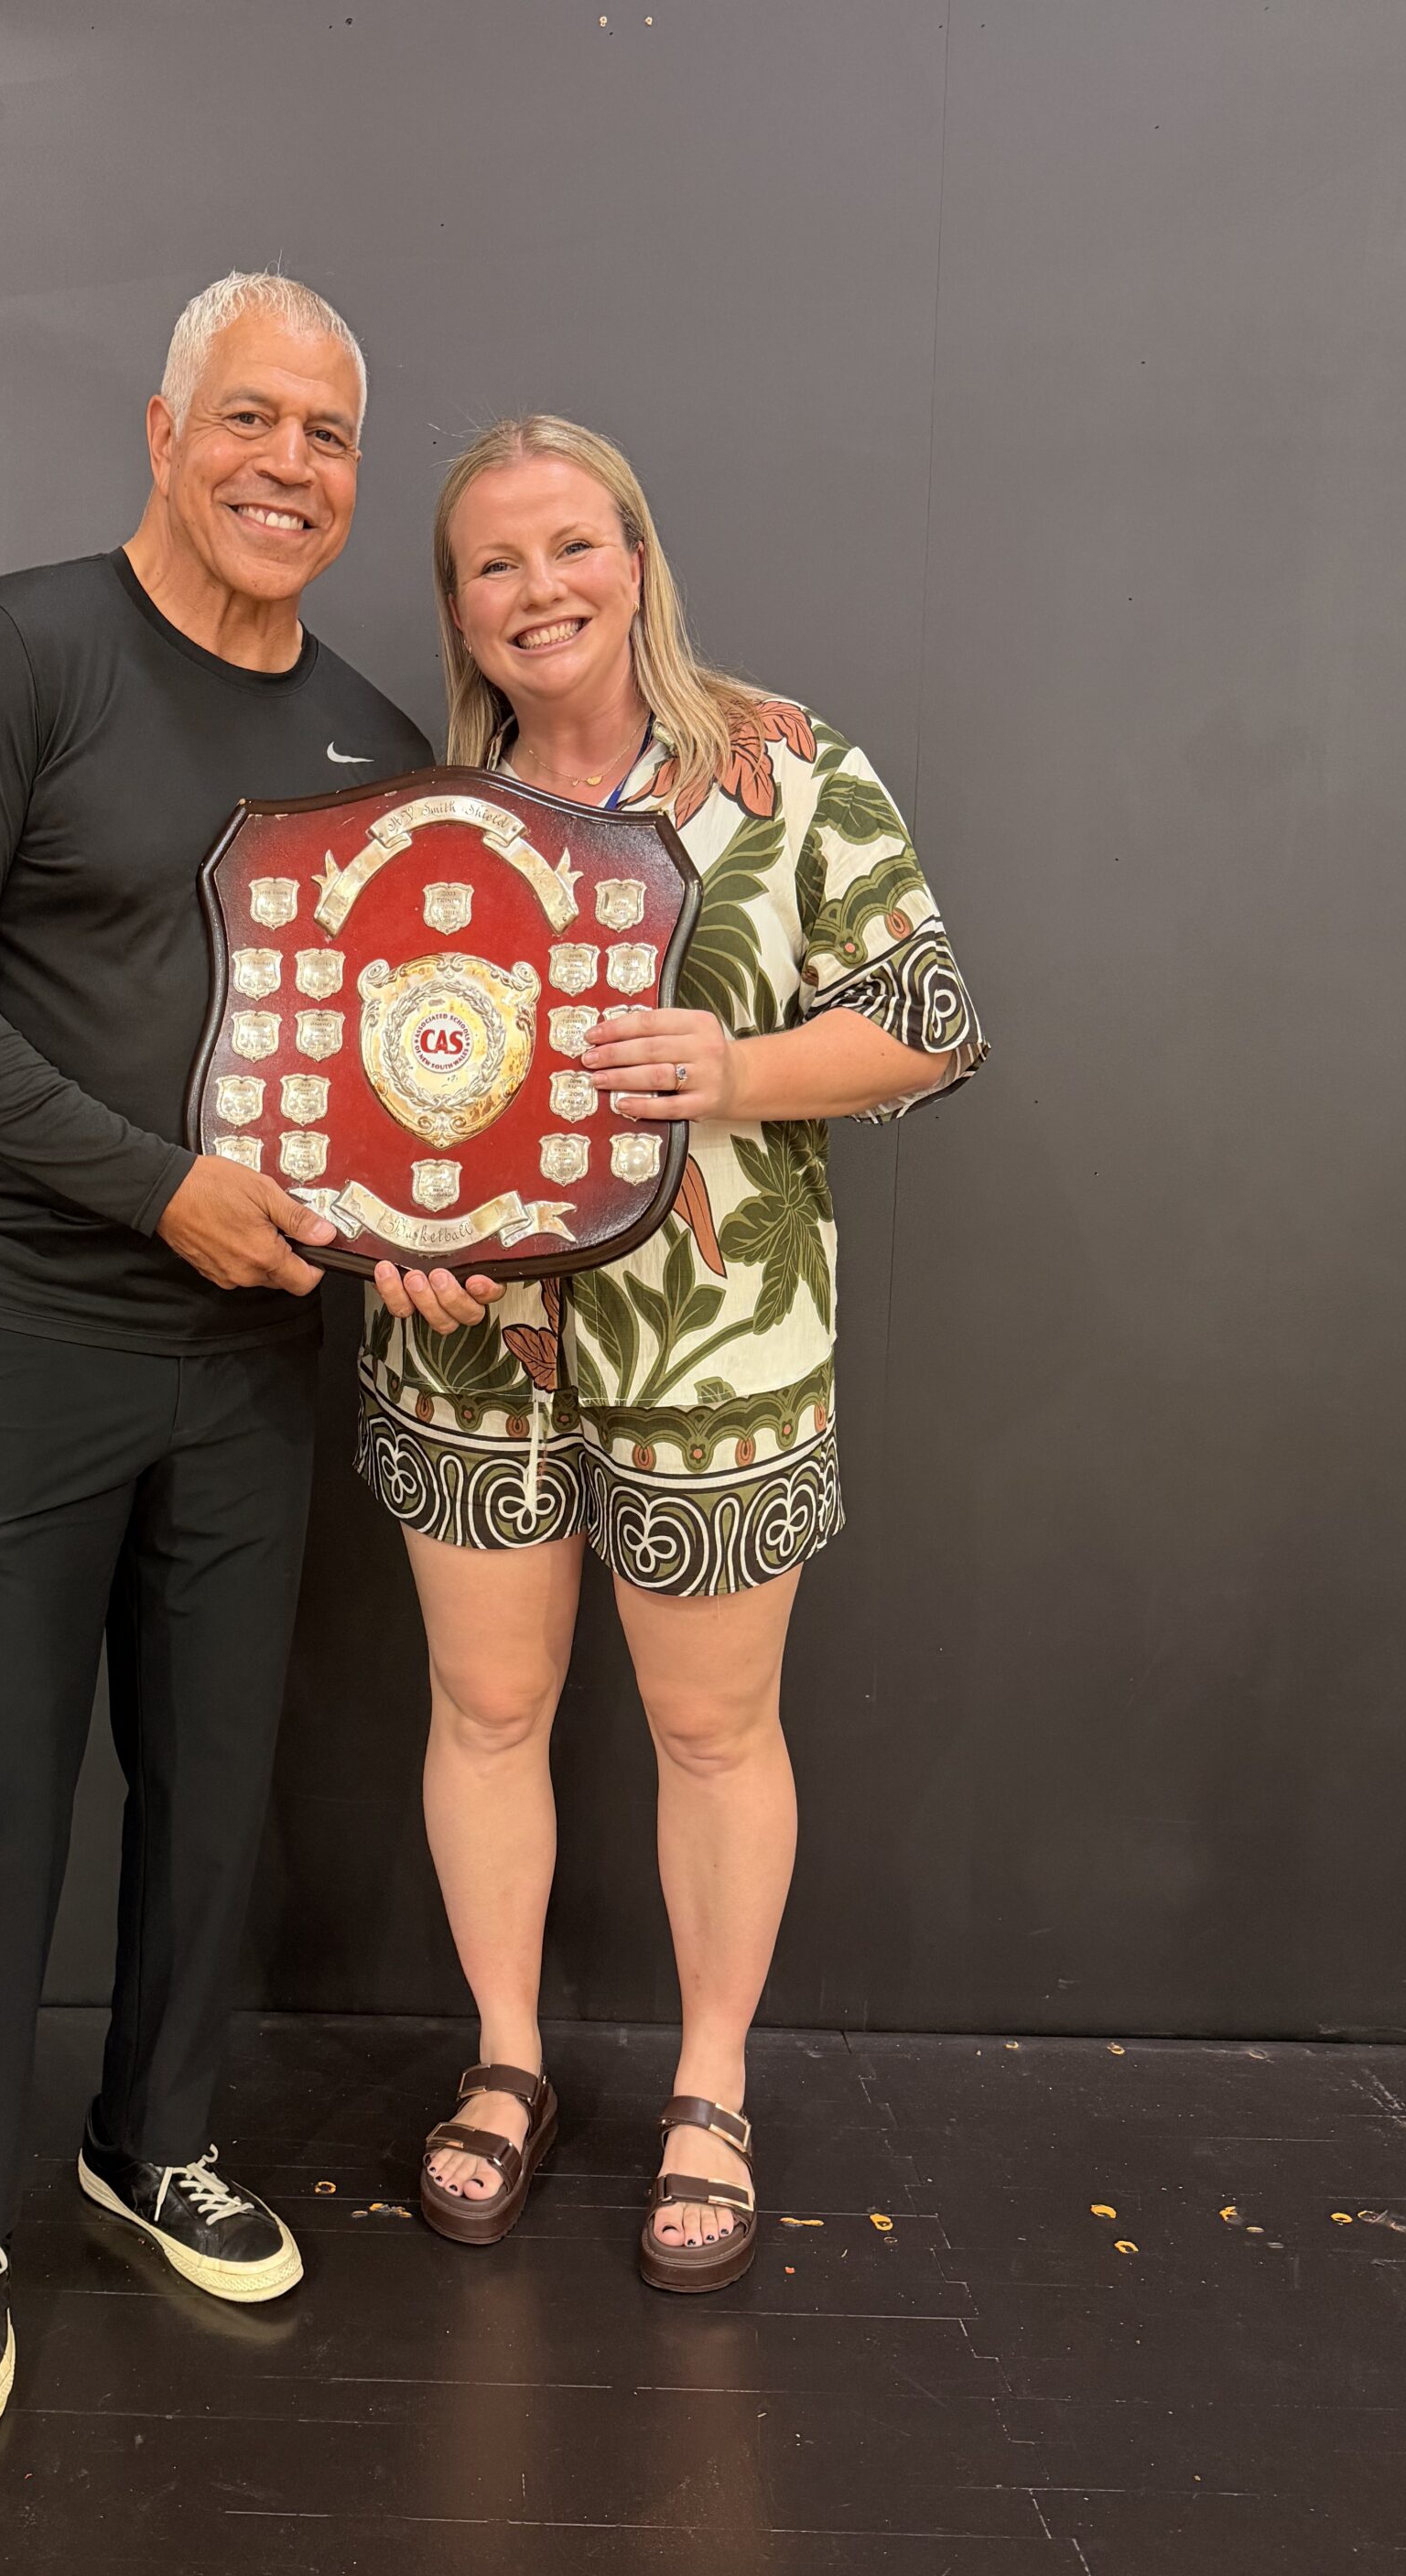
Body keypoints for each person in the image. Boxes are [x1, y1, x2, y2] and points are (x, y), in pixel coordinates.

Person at [0, 274, 428, 2437]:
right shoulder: (19, 651)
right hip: (21, 1327)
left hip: (258, 1356)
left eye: (331, 438)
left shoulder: (373, 736)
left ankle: (151, 2142)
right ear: (162, 433)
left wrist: (426, 1227)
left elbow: (395, 1079)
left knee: (217, 1778)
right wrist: (151, 1183)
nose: (290, 467)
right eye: (251, 420)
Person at [356, 417, 987, 2291]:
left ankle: (710, 2083)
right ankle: (508, 2060)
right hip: (474, 1351)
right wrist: (392, 1225)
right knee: (484, 1711)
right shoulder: (429, 814)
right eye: (495, 564)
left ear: (636, 556)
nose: (540, 589)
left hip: (715, 1346)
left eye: (572, 546)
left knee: (713, 1728)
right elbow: (371, 1080)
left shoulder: (785, 770)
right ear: (458, 608)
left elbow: (932, 1017)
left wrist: (740, 1068)